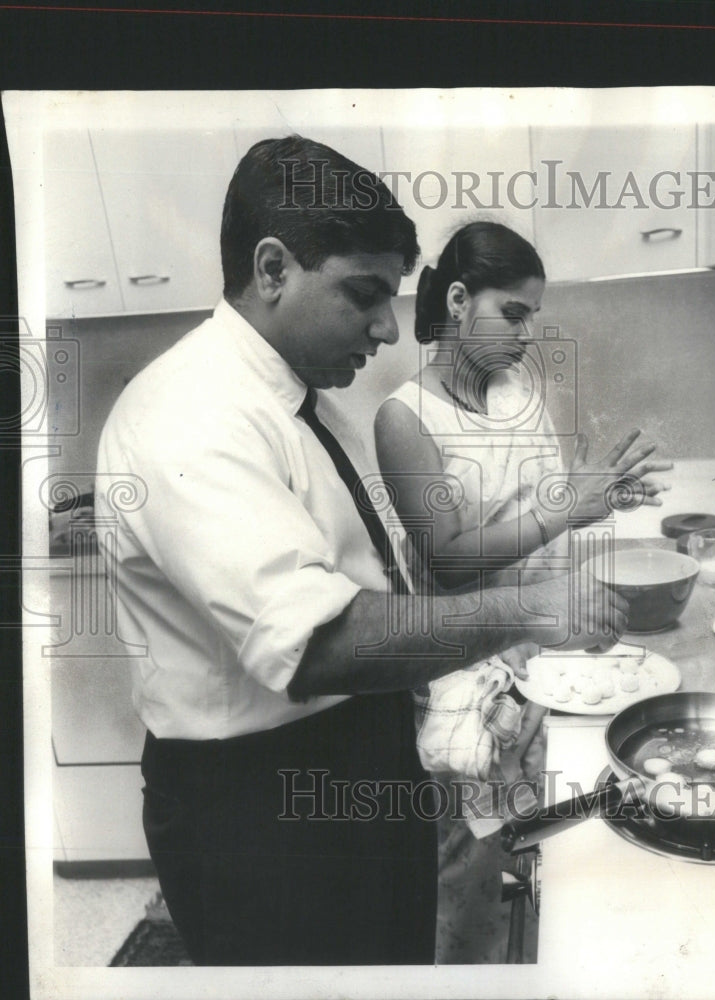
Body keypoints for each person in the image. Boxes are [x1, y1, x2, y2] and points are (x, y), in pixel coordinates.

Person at [94, 138, 627, 967]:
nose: (387, 326)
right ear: (273, 269)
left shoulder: (304, 400)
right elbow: (322, 642)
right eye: (364, 294)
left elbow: (372, 574)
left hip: (353, 757)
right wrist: (528, 609)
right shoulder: (189, 414)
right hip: (261, 805)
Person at [374, 221, 671, 963]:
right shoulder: (405, 418)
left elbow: (539, 512)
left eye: (533, 315)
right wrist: (568, 509)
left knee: (549, 853)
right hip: (468, 681)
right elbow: (449, 557)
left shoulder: (520, 394)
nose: (527, 333)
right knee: (470, 873)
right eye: (513, 313)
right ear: (458, 300)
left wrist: (596, 500)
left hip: (547, 662)